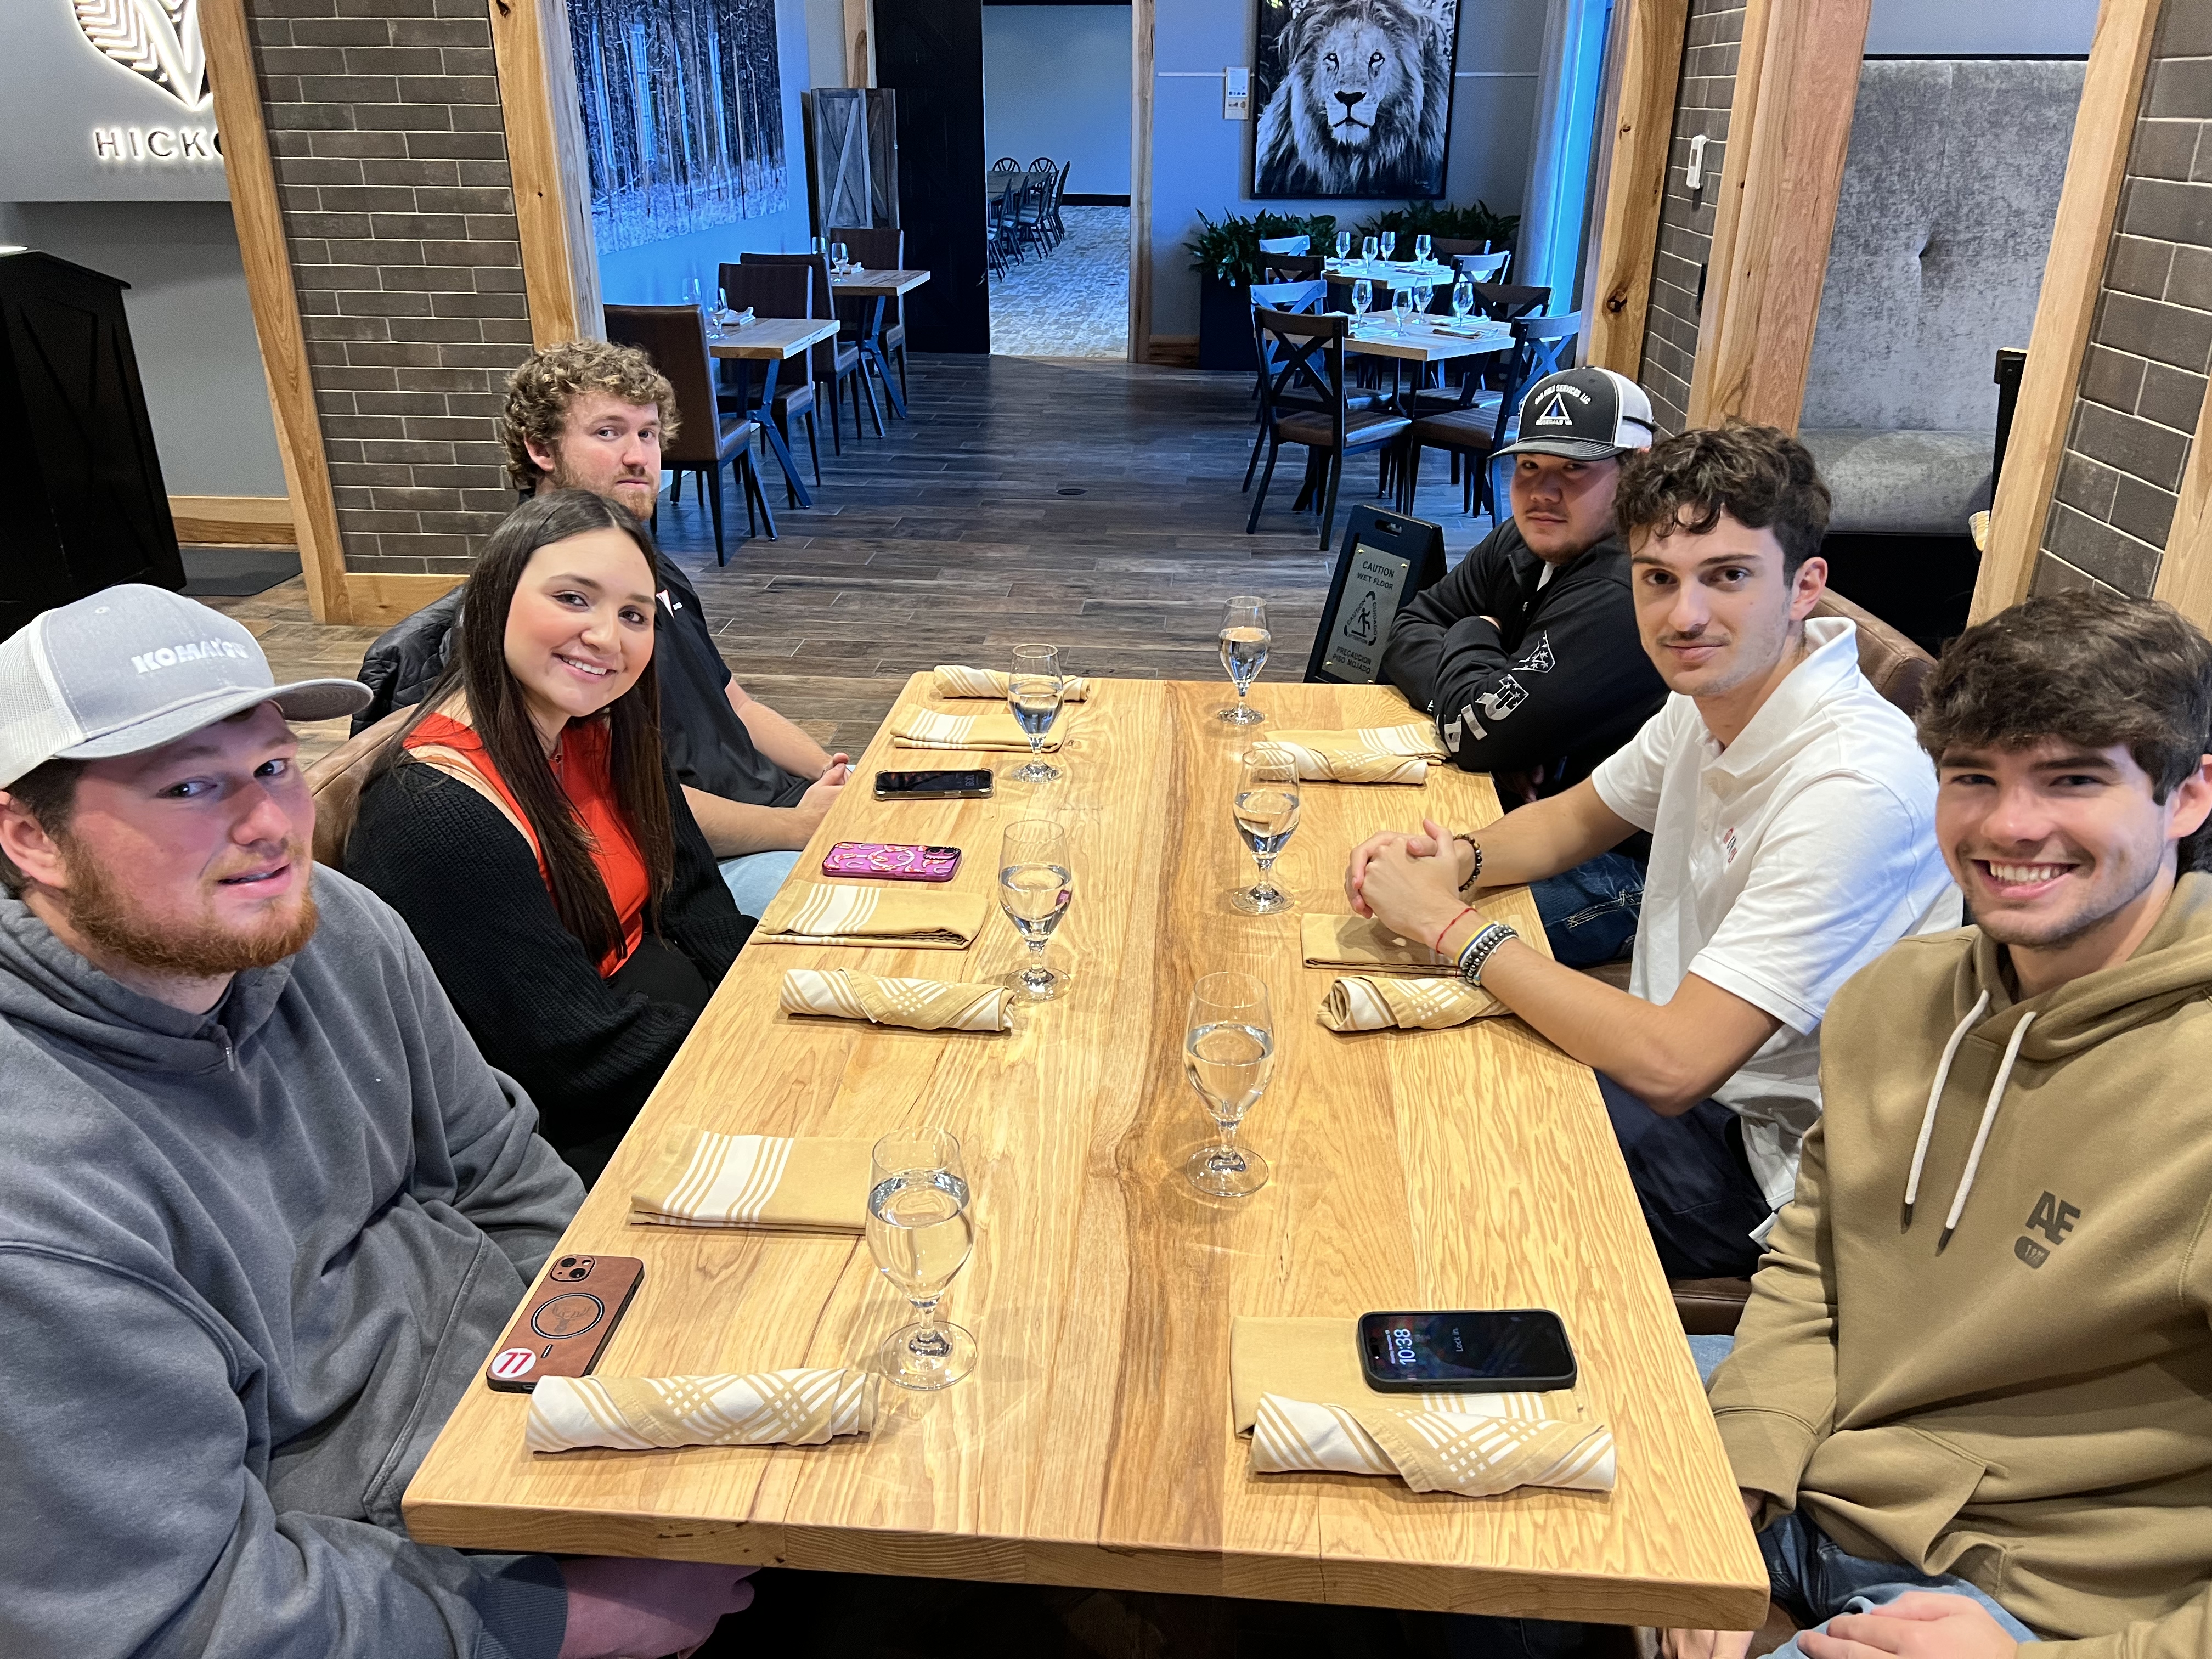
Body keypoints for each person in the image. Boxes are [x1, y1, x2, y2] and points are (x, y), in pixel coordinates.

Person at [0, 583, 757, 1657]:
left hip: (524, 1454)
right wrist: (566, 1615)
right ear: (31, 836)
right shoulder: (35, 1206)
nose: (267, 826)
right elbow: (180, 1618)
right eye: (191, 787)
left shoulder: (331, 928)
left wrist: (594, 1409)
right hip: (400, 1590)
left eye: (271, 766)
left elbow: (504, 1170)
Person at [1668, 589, 2212, 1659]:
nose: (2012, 826)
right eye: (1976, 778)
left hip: (2029, 1602)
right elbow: (1812, 1264)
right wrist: (1734, 1480)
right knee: (1452, 1426)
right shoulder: (1896, 998)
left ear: (2188, 797)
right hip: (1815, 1473)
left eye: (2072, 781)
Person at [1347, 424, 1959, 1280]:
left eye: (1729, 577)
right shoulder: (1718, 694)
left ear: (1804, 587)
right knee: (1420, 1069)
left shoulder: (1853, 784)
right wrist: (1458, 860)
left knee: (1428, 1152)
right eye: (1659, 580)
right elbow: (1572, 822)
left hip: (1769, 1173)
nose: (1686, 615)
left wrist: (1452, 930)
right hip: (1688, 1089)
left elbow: (1676, 1065)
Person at [357, 338, 847, 919]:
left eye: (647, 434)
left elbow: (734, 704)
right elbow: (621, 801)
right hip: (698, 864)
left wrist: (832, 775)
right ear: (540, 448)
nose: (639, 457)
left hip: (776, 810)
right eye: (609, 433)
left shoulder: (650, 570)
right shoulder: (528, 628)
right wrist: (796, 828)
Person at [347, 491, 755, 1182]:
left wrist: (766, 998)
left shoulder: (605, 728)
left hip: (667, 1027)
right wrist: (755, 1056)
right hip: (575, 1123)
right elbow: (572, 1060)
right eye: (573, 599)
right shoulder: (434, 816)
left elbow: (696, 901)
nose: (608, 636)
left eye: (635, 615)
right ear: (496, 598)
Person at [1381, 366, 1668, 965]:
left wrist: (1470, 640)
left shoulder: (1625, 587)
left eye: (1575, 469)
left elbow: (1471, 734)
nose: (1543, 490)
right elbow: (1406, 631)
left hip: (1634, 866)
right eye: (1530, 465)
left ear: (1637, 470)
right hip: (1531, 815)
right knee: (1369, 877)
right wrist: (1499, 701)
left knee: (1406, 949)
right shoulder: (1524, 536)